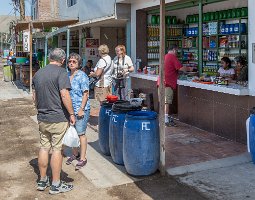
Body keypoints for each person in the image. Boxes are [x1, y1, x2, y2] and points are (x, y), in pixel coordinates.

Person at [32, 48, 75, 194]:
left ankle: (42, 181)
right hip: (58, 118)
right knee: (57, 149)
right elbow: (64, 95)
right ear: (62, 60)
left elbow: (35, 97)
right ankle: (56, 184)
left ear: (50, 58)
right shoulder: (61, 72)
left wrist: (40, 110)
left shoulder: (38, 73)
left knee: (44, 147)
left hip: (43, 117)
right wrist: (72, 113)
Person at [66, 53, 90, 170]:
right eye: (70, 61)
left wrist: (81, 109)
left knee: (81, 133)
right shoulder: (67, 75)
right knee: (72, 132)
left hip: (80, 109)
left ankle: (83, 158)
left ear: (79, 64)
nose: (71, 63)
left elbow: (86, 93)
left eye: (74, 61)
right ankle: (75, 154)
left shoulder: (82, 76)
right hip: (70, 109)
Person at [157, 44, 186, 127]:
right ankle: (165, 120)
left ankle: (163, 119)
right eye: (176, 51)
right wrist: (189, 69)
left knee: (162, 101)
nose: (177, 53)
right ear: (174, 50)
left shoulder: (165, 56)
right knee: (167, 102)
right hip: (167, 83)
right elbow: (180, 68)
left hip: (161, 82)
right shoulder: (172, 57)